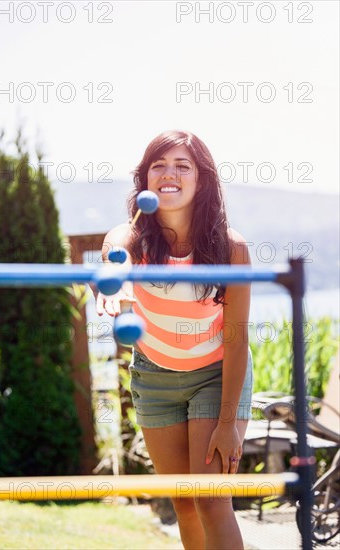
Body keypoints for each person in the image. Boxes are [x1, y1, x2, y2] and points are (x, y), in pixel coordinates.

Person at [96, 130, 253, 550]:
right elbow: (115, 249)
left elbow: (237, 342)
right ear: (145, 178)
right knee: (184, 501)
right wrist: (114, 286)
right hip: (154, 376)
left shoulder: (231, 248)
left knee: (211, 500)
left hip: (216, 376)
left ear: (202, 180)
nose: (169, 174)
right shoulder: (133, 237)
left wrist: (227, 424)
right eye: (158, 165)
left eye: (183, 166)